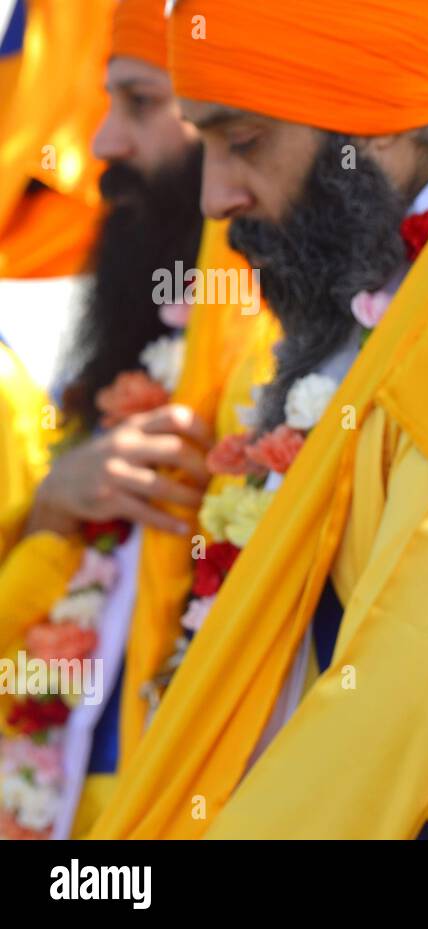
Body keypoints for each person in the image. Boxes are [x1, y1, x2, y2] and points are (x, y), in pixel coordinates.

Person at [93, 0, 428, 840]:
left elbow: (387, 706)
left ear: (377, 130)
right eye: (203, 142)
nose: (213, 198)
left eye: (242, 142)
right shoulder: (351, 298)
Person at [0, 0, 268, 840]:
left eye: (141, 103)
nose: (103, 143)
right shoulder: (110, 354)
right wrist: (50, 509)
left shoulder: (282, 369)